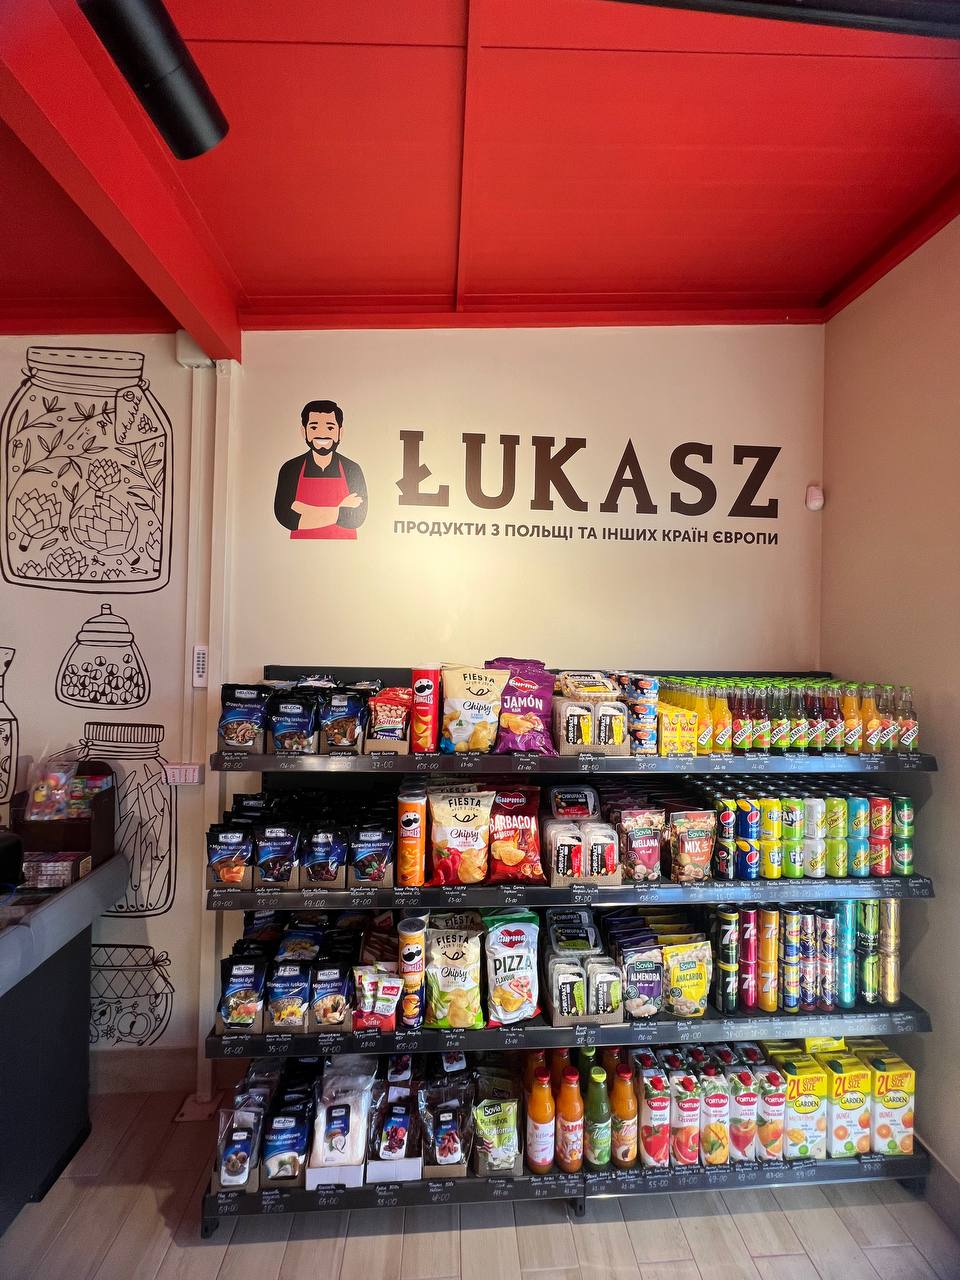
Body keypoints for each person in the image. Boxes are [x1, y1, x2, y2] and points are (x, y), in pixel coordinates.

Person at [273, 400, 368, 539]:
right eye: (314, 427)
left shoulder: (352, 468)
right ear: (304, 431)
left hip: (346, 550)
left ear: (340, 432)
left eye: (330, 428)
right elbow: (286, 517)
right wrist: (339, 509)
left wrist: (306, 510)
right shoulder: (290, 469)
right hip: (300, 549)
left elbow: (356, 518)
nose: (322, 434)